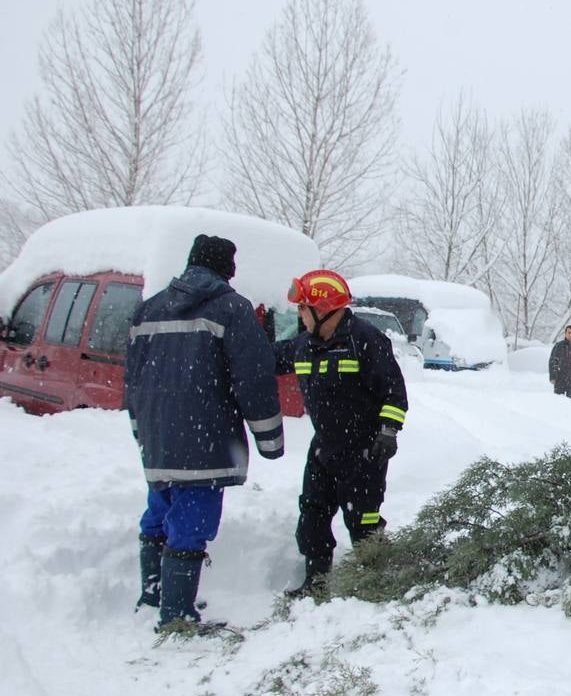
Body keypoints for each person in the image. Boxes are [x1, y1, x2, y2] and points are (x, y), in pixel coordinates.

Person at [124, 234, 285, 630]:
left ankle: (154, 594)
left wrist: (140, 430)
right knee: (193, 521)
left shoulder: (148, 309)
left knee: (159, 509)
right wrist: (270, 440)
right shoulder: (232, 308)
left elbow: (133, 380)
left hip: (158, 435)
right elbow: (254, 379)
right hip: (207, 439)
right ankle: (177, 615)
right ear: (227, 269)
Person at [275, 270, 408, 597]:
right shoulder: (303, 345)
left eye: (303, 308)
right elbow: (265, 359)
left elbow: (394, 392)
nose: (299, 315)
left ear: (323, 309)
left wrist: (388, 431)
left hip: (364, 448)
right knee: (312, 515)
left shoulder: (365, 340)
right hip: (323, 446)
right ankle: (316, 582)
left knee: (363, 519)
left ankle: (374, 580)